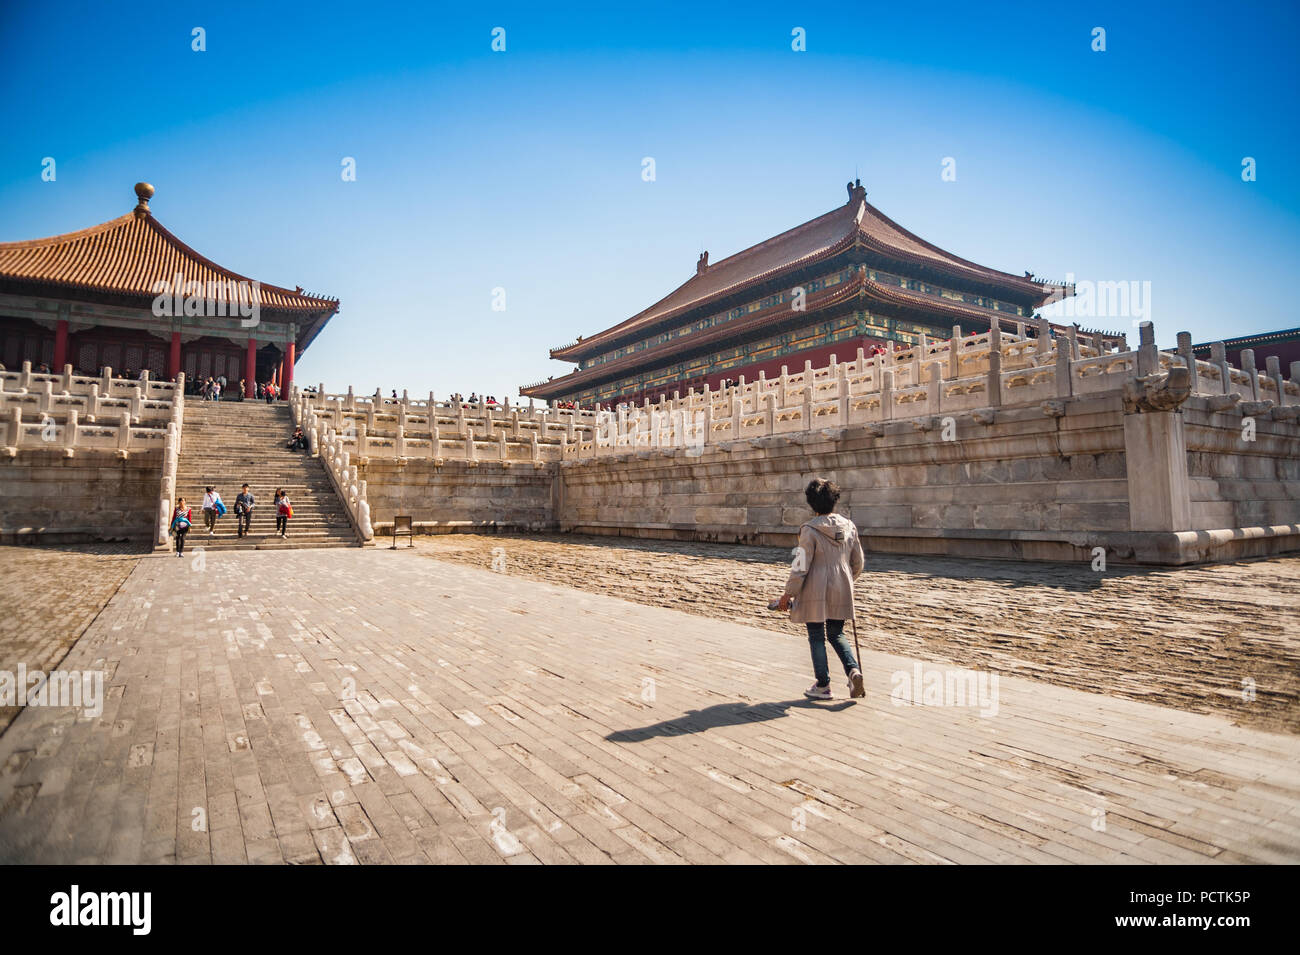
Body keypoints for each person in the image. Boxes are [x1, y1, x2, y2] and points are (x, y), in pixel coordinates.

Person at [775, 479, 865, 700]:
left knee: (816, 636)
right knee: (837, 633)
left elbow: (800, 566)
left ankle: (823, 685)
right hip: (842, 587)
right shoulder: (849, 526)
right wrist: (846, 581)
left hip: (815, 589)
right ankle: (853, 670)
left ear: (811, 503)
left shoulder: (809, 529)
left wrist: (788, 594)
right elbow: (858, 562)